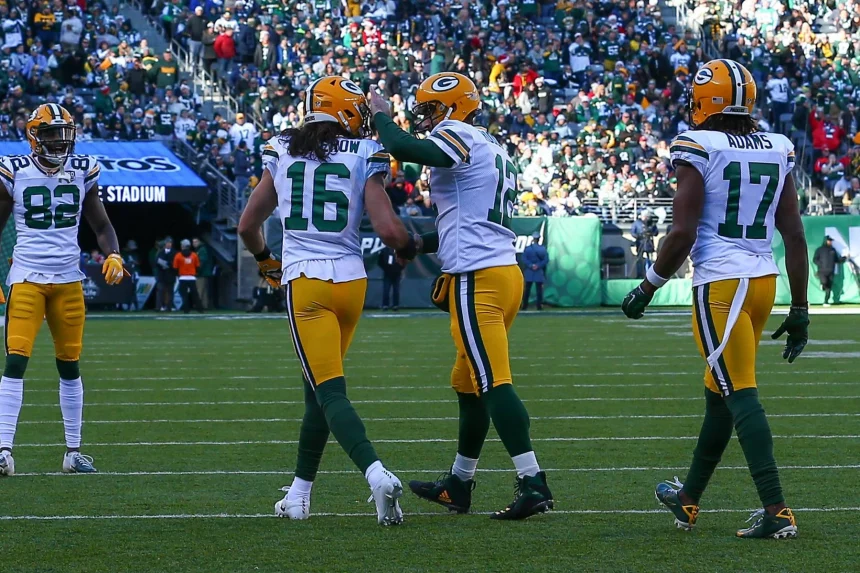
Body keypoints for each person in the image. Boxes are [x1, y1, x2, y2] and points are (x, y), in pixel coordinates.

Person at [621, 60, 808, 540]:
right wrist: (801, 307)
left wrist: (648, 286)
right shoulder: (778, 145)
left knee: (740, 394)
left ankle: (777, 509)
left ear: (708, 100)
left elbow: (681, 232)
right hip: (763, 283)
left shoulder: (697, 144)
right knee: (719, 397)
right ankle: (689, 500)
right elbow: (793, 233)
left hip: (722, 286)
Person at [370, 73, 554, 520]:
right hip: (495, 271)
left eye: (432, 108)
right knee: (468, 384)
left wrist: (381, 117)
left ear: (454, 107)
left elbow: (406, 149)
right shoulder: (487, 144)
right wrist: (418, 244)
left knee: (492, 382)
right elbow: (466, 220)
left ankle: (533, 482)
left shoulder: (459, 134)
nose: (426, 118)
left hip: (478, 278)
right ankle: (459, 482)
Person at [238, 76, 419, 526]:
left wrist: (265, 260)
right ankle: (299, 495)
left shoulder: (280, 149)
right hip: (352, 283)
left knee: (329, 392)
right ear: (345, 111)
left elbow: (247, 225)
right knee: (317, 390)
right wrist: (416, 244)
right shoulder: (363, 153)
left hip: (307, 282)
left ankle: (377, 475)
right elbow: (390, 232)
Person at [0, 104, 129, 477]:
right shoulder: (14, 172)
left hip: (68, 279)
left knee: (70, 366)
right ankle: (4, 450)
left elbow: (101, 224)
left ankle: (73, 452)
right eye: (51, 134)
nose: (59, 142)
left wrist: (115, 254)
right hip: (26, 276)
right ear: (34, 136)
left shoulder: (82, 170)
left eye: (64, 134)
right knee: (15, 360)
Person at [813, 236, 846, 306]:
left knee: (829, 287)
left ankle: (826, 302)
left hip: (831, 272)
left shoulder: (833, 250)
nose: (830, 242)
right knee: (824, 282)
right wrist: (821, 264)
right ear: (825, 241)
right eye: (829, 240)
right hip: (822, 271)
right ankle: (822, 285)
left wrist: (845, 258)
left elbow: (837, 260)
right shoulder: (819, 250)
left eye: (831, 241)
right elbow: (815, 260)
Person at [173, 239, 203, 313]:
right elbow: (198, 266)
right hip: (192, 277)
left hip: (182, 277)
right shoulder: (194, 255)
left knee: (184, 295)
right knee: (195, 294)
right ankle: (200, 309)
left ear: (182, 246)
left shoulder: (178, 255)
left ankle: (186, 310)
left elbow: (175, 267)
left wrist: (178, 274)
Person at [521, 232, 547, 310]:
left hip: (529, 271)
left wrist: (531, 265)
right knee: (539, 290)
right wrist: (538, 265)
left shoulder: (528, 248)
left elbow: (524, 259)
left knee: (527, 290)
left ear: (533, 239)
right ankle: (539, 306)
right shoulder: (542, 249)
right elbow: (546, 260)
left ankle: (524, 306)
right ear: (539, 239)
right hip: (538, 271)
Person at [376, 245, 403, 310]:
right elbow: (380, 261)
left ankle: (395, 305)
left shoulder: (399, 250)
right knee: (386, 290)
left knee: (396, 290)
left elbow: (403, 261)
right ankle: (385, 305)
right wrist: (385, 268)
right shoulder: (384, 251)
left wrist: (399, 268)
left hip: (397, 274)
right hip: (387, 274)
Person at [156, 237, 177, 312]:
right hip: (162, 275)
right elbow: (156, 261)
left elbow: (175, 263)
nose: (168, 244)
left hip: (170, 275)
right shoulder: (160, 252)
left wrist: (168, 264)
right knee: (160, 291)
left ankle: (169, 307)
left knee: (170, 292)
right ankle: (159, 307)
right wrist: (162, 265)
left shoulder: (175, 252)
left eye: (170, 243)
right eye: (167, 242)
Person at [193, 237, 214, 309]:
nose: (194, 244)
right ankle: (204, 305)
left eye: (196, 242)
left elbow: (202, 262)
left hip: (201, 274)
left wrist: (197, 271)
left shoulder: (201, 250)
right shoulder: (201, 249)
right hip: (205, 273)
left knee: (199, 290)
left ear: (199, 242)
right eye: (193, 242)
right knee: (204, 290)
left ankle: (198, 305)